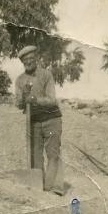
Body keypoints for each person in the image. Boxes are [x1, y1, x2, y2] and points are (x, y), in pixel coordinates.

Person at [14, 45, 65, 196]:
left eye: (31, 58)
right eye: (25, 60)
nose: (28, 62)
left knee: (52, 153)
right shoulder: (20, 80)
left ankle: (54, 187)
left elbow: (51, 100)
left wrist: (35, 99)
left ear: (36, 59)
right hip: (33, 122)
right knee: (36, 156)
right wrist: (23, 97)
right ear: (22, 62)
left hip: (51, 119)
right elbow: (18, 104)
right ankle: (40, 188)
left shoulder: (46, 75)